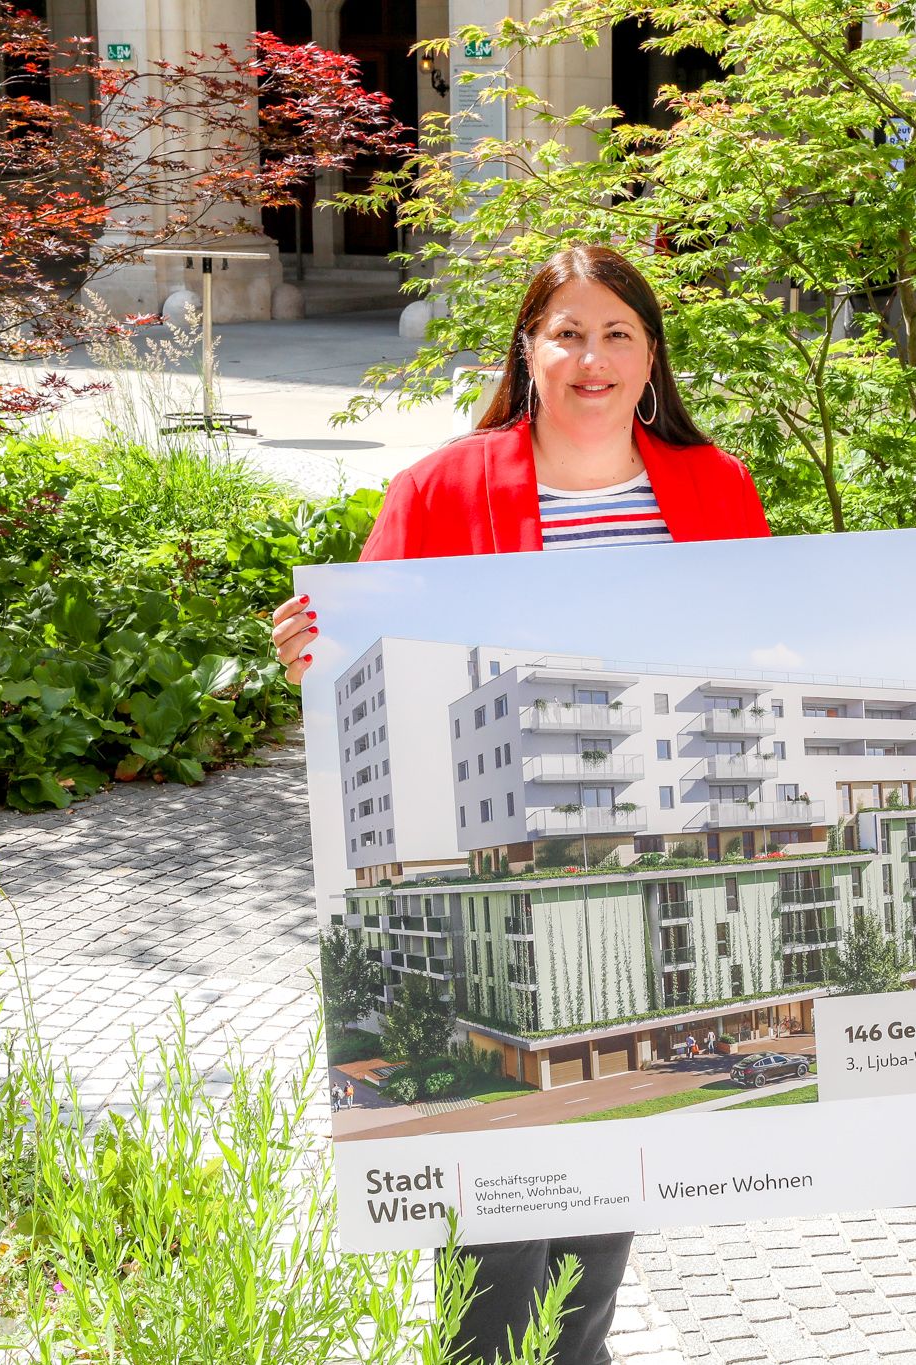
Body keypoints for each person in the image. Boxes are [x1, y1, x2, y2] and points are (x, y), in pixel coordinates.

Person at [271, 242, 770, 1365]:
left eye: (617, 334)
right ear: (527, 349)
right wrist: (313, 655)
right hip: (488, 871)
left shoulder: (713, 487)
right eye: (568, 334)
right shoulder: (441, 489)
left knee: (592, 1240)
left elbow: (746, 656)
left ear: (651, 355)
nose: (592, 359)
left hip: (633, 879)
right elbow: (365, 663)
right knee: (492, 1255)